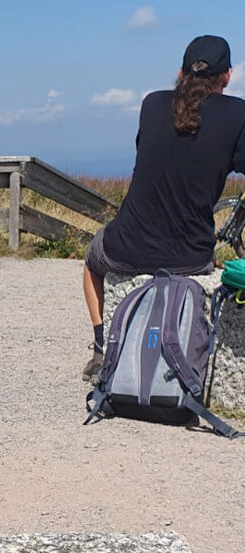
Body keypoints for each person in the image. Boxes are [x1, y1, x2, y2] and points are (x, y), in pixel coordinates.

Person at [82, 35, 245, 382]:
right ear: (227, 77)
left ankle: (101, 345)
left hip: (126, 246)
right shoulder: (238, 114)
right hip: (191, 256)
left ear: (180, 71)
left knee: (92, 258)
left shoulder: (152, 104)